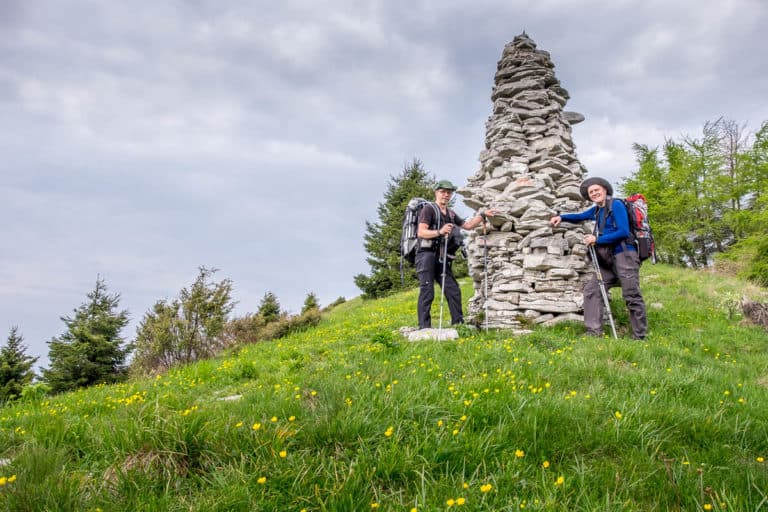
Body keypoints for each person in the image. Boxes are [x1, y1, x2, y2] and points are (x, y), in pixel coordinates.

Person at [549, 177, 647, 339]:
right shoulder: (597, 210)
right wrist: (562, 217)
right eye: (591, 192)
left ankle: (639, 336)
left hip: (625, 255)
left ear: (605, 189)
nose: (594, 193)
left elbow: (623, 231)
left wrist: (597, 240)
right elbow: (580, 216)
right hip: (608, 259)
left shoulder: (616, 204)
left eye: (596, 190)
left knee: (631, 294)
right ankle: (593, 332)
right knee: (592, 290)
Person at [416, 179, 497, 329]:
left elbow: (468, 226)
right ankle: (424, 327)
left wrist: (482, 215)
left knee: (453, 289)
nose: (446, 195)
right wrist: (439, 232)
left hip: (442, 257)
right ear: (436, 192)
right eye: (443, 192)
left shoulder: (451, 214)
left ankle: (458, 325)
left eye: (449, 192)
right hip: (426, 255)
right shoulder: (429, 209)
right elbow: (421, 232)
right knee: (427, 290)